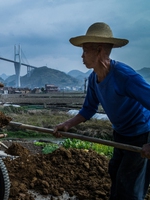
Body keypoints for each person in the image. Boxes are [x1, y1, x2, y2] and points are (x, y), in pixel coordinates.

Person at [53, 22, 150, 200]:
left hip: (141, 135)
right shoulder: (93, 79)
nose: (82, 56)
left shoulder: (125, 76)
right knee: (115, 175)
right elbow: (88, 109)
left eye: (85, 51)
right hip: (120, 134)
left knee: (129, 188)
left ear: (99, 51)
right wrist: (67, 124)